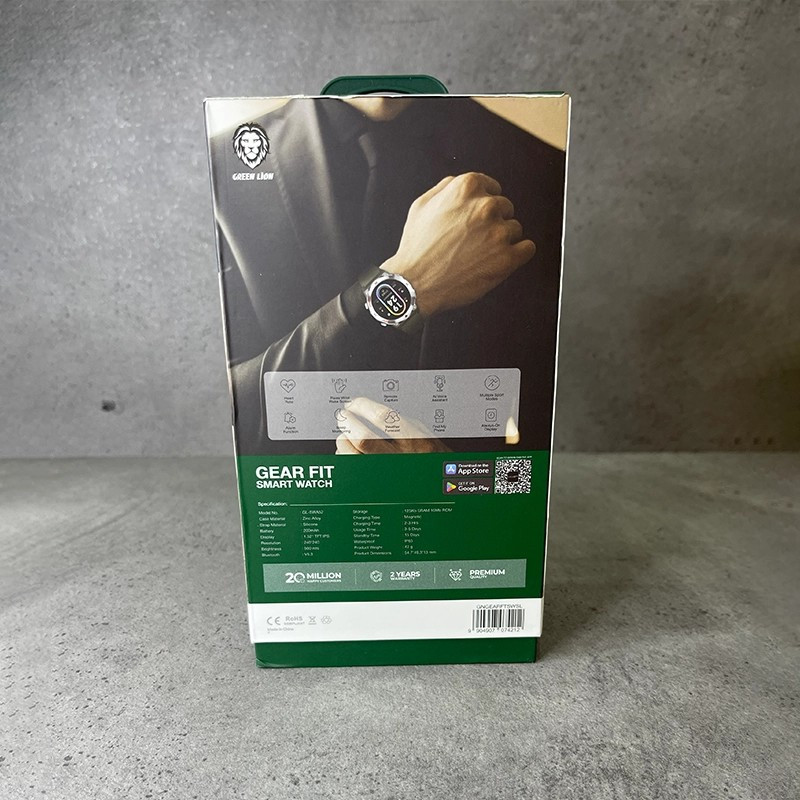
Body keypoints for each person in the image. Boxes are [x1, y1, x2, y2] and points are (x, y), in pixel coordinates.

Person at [208, 96, 566, 456]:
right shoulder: (218, 166)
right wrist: (408, 285)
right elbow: (216, 417)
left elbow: (544, 426)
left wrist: (452, 477)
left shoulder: (543, 169)